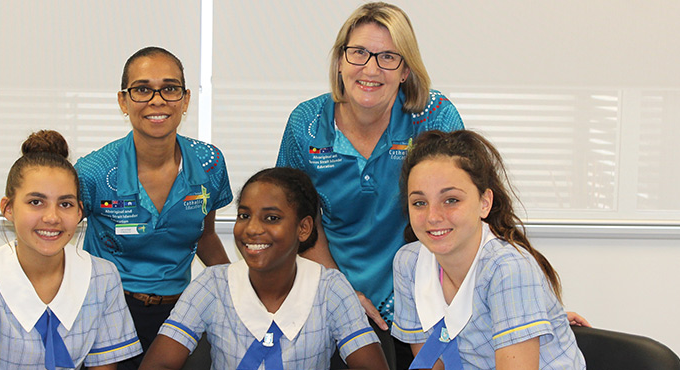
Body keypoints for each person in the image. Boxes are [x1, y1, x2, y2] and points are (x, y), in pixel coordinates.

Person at [0, 47, 232, 369]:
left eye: (170, 89)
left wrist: (241, 287)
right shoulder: (94, 172)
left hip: (179, 306)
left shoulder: (210, 162)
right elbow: (51, 232)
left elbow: (205, 235)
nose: (157, 100)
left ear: (186, 98)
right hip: (108, 303)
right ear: (123, 100)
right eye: (143, 89)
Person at [275, 2, 464, 367]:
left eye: (388, 57)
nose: (371, 68)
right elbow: (292, 219)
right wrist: (342, 295)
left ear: (406, 69)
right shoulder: (306, 123)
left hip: (428, 292)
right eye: (359, 52)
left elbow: (468, 209)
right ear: (340, 61)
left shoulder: (435, 116)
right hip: (332, 291)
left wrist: (521, 302)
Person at [139, 167, 389, 370]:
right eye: (244, 215)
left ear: (304, 228)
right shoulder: (213, 283)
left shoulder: (330, 287)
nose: (252, 229)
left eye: (272, 218)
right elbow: (159, 363)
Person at [0, 130, 142, 369]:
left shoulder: (102, 277)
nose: (51, 217)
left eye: (65, 204)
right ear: (8, 208)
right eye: (36, 202)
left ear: (80, 212)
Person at [391, 129, 585, 369]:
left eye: (451, 200)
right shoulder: (408, 263)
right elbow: (432, 363)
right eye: (419, 203)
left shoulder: (508, 270)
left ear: (484, 203)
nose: (432, 216)